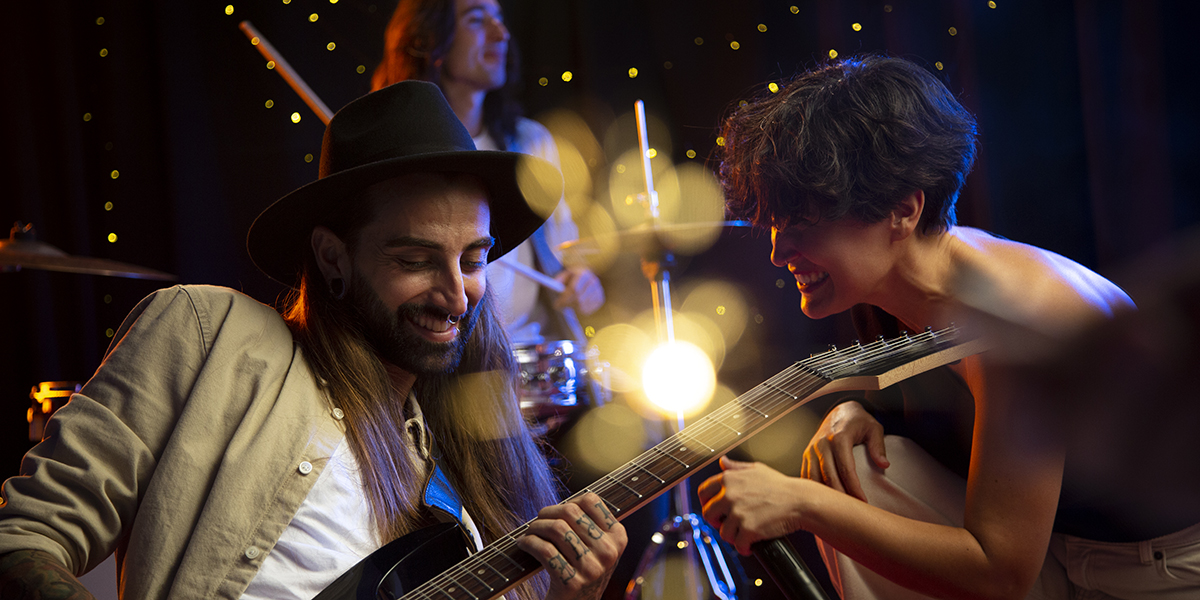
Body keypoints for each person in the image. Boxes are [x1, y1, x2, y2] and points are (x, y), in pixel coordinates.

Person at [0, 81, 626, 600]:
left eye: (472, 258)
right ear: (333, 258)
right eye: (415, 260)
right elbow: (22, 541)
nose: (456, 294)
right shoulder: (207, 331)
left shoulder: (459, 486)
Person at [695, 55, 1198, 599]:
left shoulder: (1015, 315)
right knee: (852, 466)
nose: (778, 251)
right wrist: (852, 410)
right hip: (1061, 553)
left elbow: (1001, 572)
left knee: (829, 493)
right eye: (774, 223)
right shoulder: (900, 279)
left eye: (803, 222)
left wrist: (802, 505)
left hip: (1161, 575)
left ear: (903, 211)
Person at [373, 0, 604, 345]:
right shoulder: (394, 155)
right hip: (445, 359)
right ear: (428, 39)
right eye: (477, 19)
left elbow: (567, 253)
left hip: (535, 354)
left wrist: (585, 282)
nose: (501, 33)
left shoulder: (531, 142)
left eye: (499, 19)